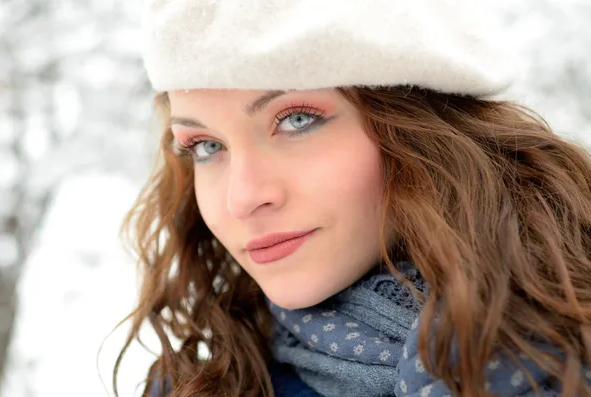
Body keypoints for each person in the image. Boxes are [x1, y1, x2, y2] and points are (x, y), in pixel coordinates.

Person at [112, 1, 591, 396]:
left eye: (297, 120)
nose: (243, 198)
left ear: (425, 130)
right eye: (207, 146)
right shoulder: (202, 385)